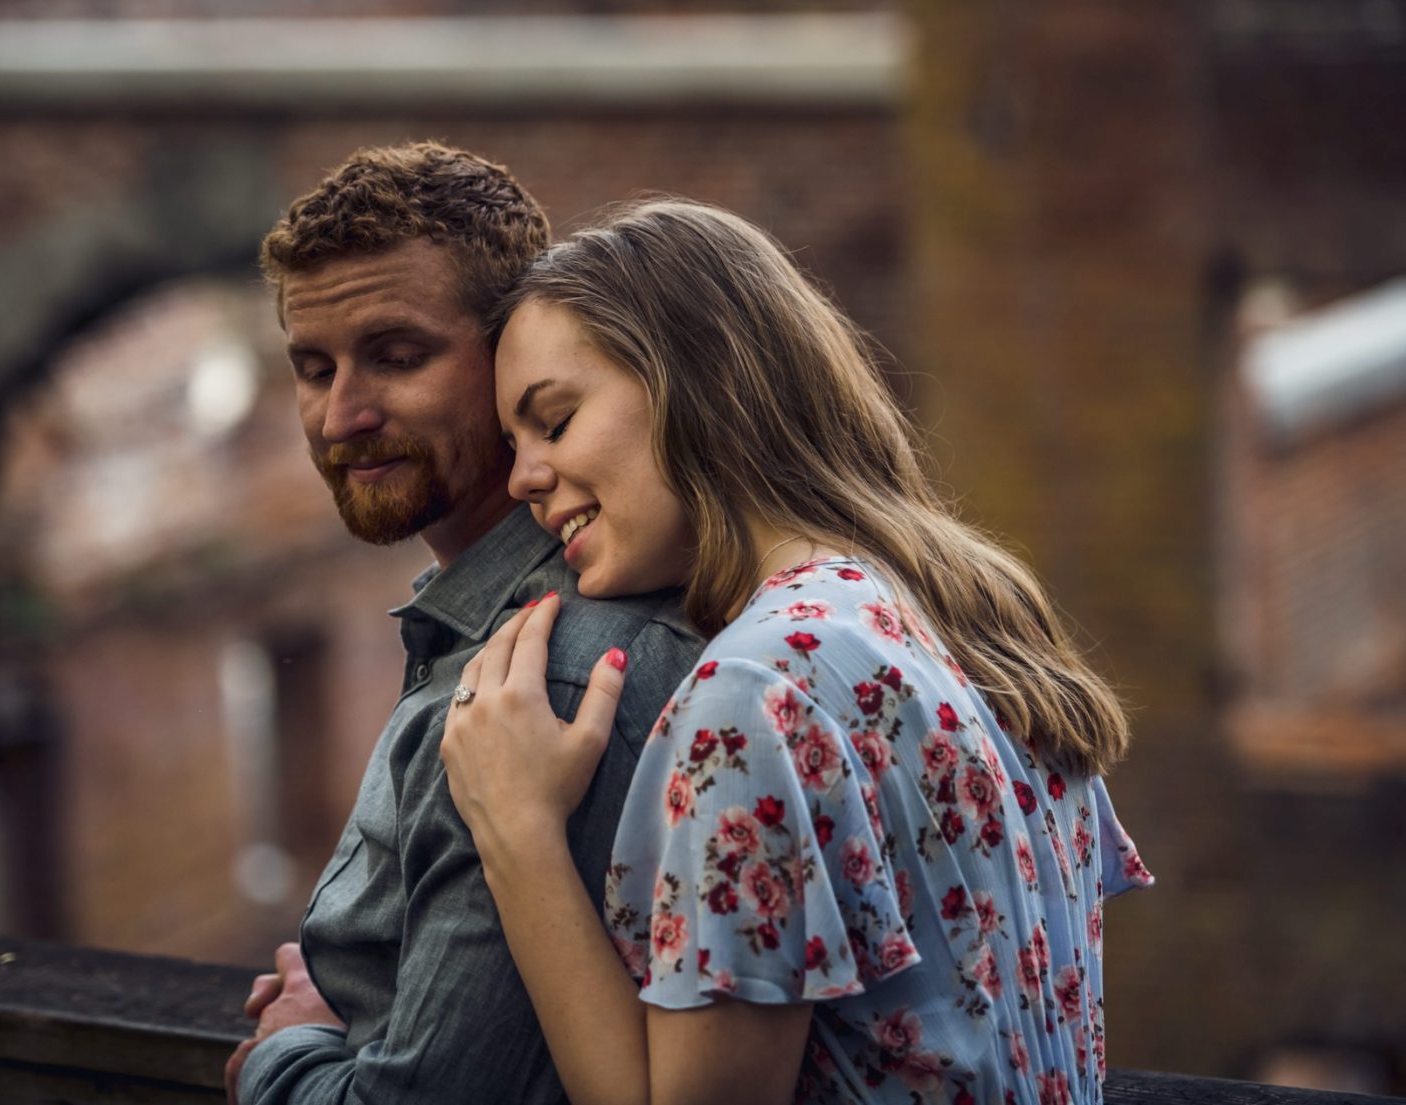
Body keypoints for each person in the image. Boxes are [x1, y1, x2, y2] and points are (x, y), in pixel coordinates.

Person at [439, 199, 1155, 1105]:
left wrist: (516, 829)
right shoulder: (965, 613)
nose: (521, 478)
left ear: (698, 379)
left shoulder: (754, 693)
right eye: (513, 442)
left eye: (555, 419)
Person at [225, 147, 705, 1104]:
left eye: (398, 358)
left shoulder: (551, 680)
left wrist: (288, 1047)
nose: (342, 415)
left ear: (512, 353)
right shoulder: (475, 627)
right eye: (314, 369)